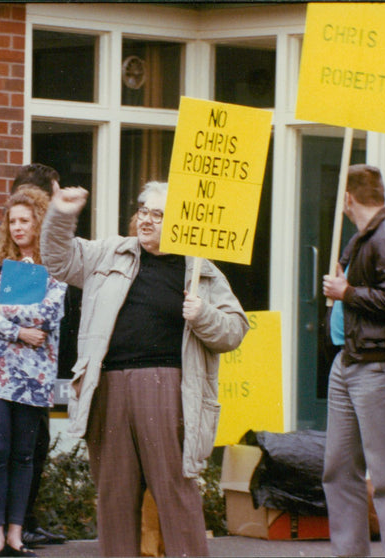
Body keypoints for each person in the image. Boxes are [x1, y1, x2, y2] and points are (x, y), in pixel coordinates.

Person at [40, 181, 249, 557]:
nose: (147, 220)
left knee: (173, 490)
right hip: (107, 387)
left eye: (158, 214)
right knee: (114, 495)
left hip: (166, 387)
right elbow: (59, 260)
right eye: (143, 211)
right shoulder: (109, 252)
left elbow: (234, 330)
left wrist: (203, 315)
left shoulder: (201, 270)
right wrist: (60, 217)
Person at [321, 164, 385, 556]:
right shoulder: (367, 237)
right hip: (351, 360)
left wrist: (347, 291)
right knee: (338, 467)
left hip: (377, 364)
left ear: (348, 198)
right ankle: (350, 551)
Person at [0, 163, 70, 547]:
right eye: (12, 221)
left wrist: (3, 311)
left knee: (24, 455)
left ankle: (17, 534)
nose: (17, 228)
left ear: (39, 223)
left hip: (34, 374)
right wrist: (17, 330)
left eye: (24, 221)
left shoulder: (55, 264)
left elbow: (50, 313)